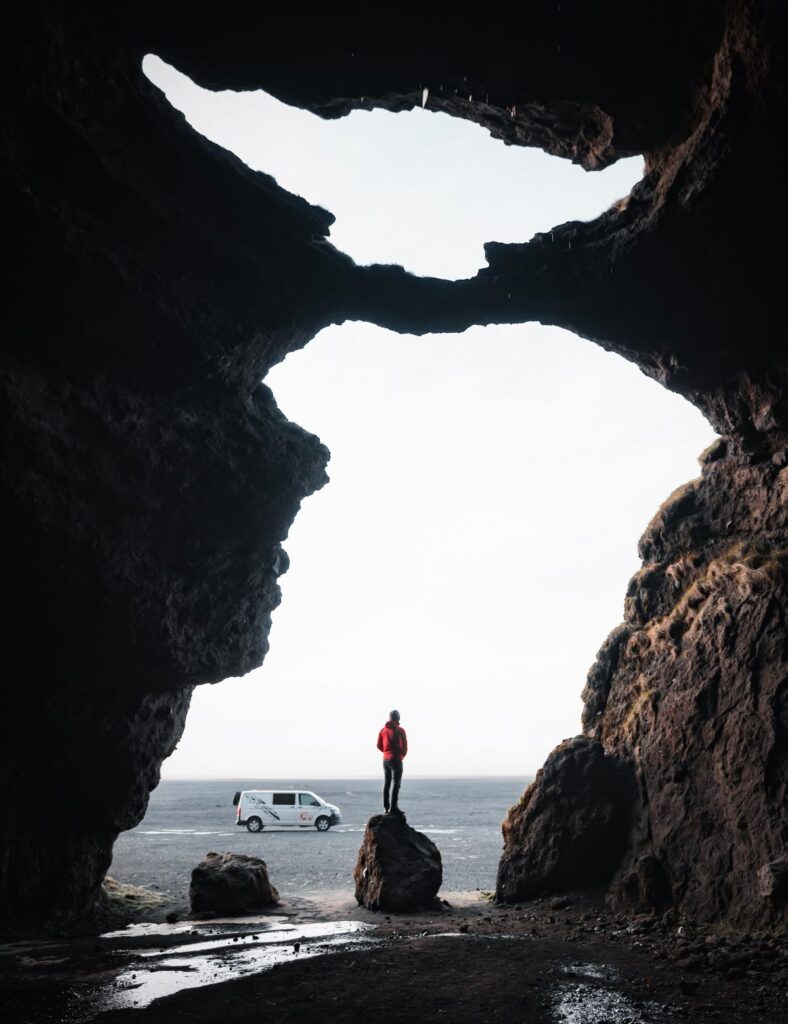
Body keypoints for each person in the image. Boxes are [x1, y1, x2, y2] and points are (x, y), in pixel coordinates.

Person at [377, 710, 408, 814]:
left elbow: (379, 745)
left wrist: (386, 752)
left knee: (387, 783)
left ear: (390, 718)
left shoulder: (382, 730)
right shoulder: (400, 730)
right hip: (396, 759)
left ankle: (386, 807)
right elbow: (405, 747)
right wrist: (400, 756)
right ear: (398, 718)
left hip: (385, 760)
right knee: (396, 784)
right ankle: (393, 808)